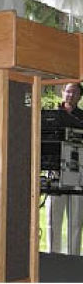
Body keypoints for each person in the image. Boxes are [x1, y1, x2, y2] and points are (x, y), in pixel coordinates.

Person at [46, 82, 83, 255]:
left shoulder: (82, 117)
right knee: (53, 219)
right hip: (55, 173)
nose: (70, 95)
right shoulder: (50, 114)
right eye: (68, 91)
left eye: (75, 93)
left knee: (75, 221)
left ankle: (73, 259)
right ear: (62, 92)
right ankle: (53, 257)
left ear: (80, 97)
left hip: (78, 174)